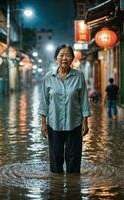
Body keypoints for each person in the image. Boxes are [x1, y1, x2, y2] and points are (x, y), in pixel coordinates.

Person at [39, 44, 91, 174]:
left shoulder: (79, 76)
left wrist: (85, 122)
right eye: (61, 55)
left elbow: (84, 100)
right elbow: (44, 102)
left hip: (74, 123)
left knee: (73, 158)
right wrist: (43, 123)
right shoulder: (48, 77)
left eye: (67, 55)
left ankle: (73, 188)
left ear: (72, 58)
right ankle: (56, 188)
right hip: (54, 123)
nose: (64, 58)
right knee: (56, 157)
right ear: (56, 58)